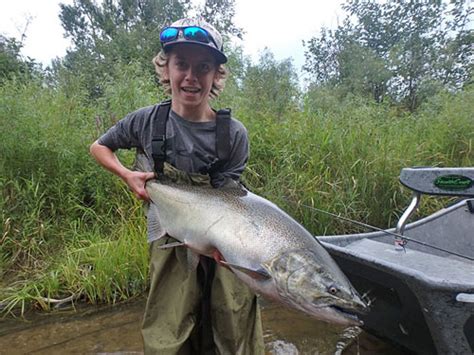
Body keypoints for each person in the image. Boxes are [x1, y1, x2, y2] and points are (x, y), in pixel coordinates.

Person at [90, 17, 264, 355]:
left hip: (223, 242)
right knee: (168, 331)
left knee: (232, 323)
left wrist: (221, 246)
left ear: (216, 76)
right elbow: (99, 147)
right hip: (168, 238)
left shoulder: (233, 134)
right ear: (165, 68)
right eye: (181, 64)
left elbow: (230, 198)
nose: (191, 77)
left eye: (203, 67)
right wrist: (128, 175)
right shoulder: (145, 121)